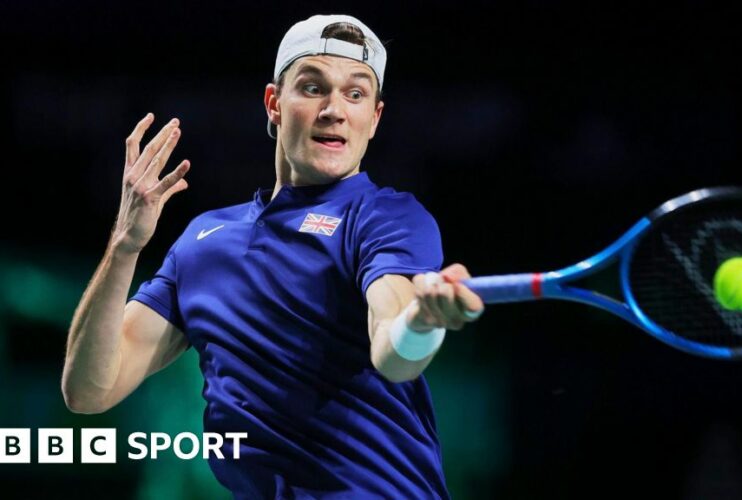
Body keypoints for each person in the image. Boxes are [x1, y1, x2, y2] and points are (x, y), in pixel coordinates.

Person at [61, 13, 484, 499]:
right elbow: (89, 390)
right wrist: (124, 246)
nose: (334, 110)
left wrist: (422, 323)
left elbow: (393, 352)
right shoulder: (203, 242)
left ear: (375, 118)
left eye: (355, 93)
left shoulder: (387, 218)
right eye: (312, 88)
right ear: (274, 103)